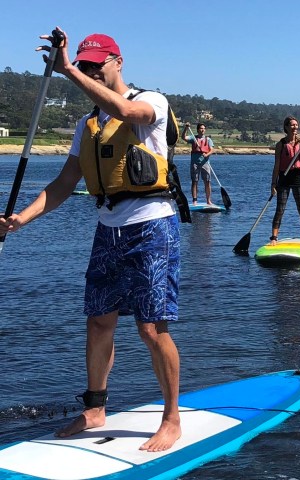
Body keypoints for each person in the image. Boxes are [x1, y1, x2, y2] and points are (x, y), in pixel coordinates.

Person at [0, 29, 182, 452]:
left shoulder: (152, 101)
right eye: (83, 66)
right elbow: (65, 182)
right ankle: (96, 407)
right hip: (108, 230)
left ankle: (171, 418)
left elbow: (126, 110)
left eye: (96, 65)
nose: (91, 72)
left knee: (152, 329)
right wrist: (20, 220)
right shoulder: (87, 126)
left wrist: (64, 69)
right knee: (99, 321)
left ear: (118, 62)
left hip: (152, 226)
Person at [270, 116, 300, 245]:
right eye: (292, 125)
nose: (295, 127)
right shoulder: (280, 144)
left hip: (297, 177)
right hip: (284, 177)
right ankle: (274, 238)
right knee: (280, 209)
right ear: (286, 127)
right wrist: (273, 184)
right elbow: (276, 166)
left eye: (296, 125)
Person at [182, 122, 214, 205]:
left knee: (207, 181)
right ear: (198, 130)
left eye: (204, 128)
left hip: (205, 163)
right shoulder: (193, 138)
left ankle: (208, 200)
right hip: (195, 163)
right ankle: (195, 200)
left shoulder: (208, 140)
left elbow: (212, 150)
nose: (202, 130)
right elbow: (184, 137)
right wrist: (186, 128)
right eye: (201, 128)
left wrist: (206, 154)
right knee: (194, 181)